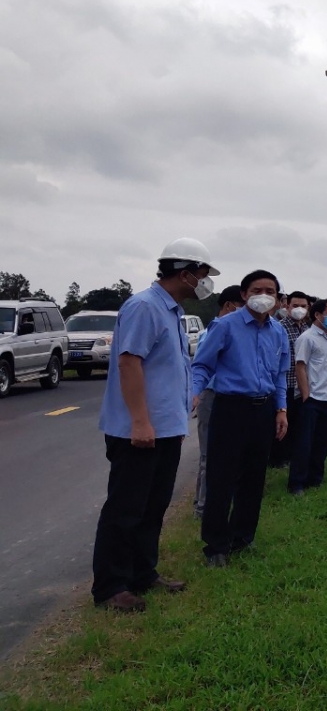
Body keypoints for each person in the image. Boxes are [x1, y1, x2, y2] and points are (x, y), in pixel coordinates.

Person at [92, 237, 220, 612]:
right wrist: (140, 422)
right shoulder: (145, 307)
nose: (205, 281)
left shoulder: (173, 311)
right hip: (139, 431)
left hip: (165, 429)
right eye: (202, 274)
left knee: (153, 506)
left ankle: (142, 573)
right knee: (125, 508)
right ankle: (111, 587)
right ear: (185, 273)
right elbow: (129, 363)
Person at [191, 270, 289, 568]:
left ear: (276, 298)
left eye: (270, 291)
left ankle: (243, 537)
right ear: (244, 295)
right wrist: (193, 394)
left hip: (263, 408)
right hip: (230, 408)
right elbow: (202, 365)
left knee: (253, 478)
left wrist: (281, 409)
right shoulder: (225, 326)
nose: (264, 295)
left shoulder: (278, 332)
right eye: (257, 289)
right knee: (221, 478)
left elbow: (280, 374)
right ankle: (216, 546)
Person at [192, 285, 244, 519]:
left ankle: (209, 501)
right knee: (208, 456)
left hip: (229, 399)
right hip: (212, 397)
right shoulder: (211, 332)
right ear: (229, 306)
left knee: (225, 455)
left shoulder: (236, 331)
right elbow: (203, 368)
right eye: (242, 305)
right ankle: (202, 507)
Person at [289, 298, 327, 495]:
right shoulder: (307, 338)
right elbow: (300, 366)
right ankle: (296, 483)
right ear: (317, 315)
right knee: (304, 442)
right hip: (311, 400)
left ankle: (315, 479)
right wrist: (306, 395)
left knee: (323, 441)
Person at [270, 291, 311, 468]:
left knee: (297, 424)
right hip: (283, 385)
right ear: (287, 307)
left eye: (303, 306)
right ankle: (277, 460)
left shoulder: (307, 330)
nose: (299, 309)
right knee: (281, 424)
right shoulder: (278, 328)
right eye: (295, 305)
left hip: (300, 386)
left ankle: (290, 457)